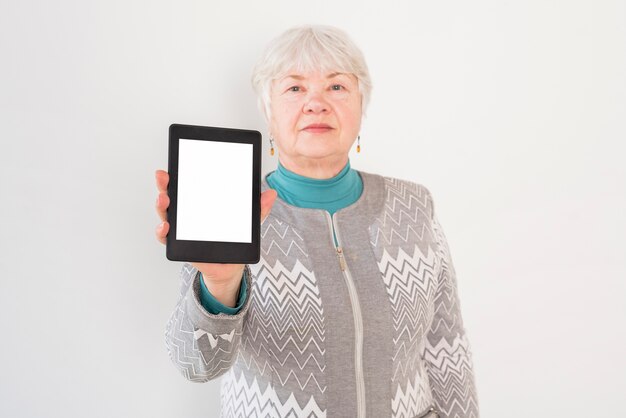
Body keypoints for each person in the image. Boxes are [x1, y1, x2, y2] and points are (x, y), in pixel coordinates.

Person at [155, 25, 479, 418]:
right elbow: (197, 364)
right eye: (294, 88)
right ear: (269, 113)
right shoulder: (231, 211)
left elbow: (446, 348)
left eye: (337, 87)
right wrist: (220, 286)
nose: (316, 103)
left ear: (361, 105)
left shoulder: (414, 205)